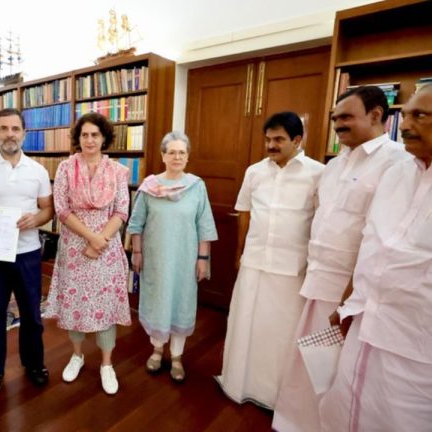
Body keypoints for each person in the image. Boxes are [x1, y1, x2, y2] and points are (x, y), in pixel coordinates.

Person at [319, 79, 432, 431]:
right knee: (347, 416)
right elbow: (373, 244)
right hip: (365, 332)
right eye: (406, 114)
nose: (407, 125)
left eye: (421, 115)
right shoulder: (397, 173)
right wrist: (347, 301)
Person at [272, 86, 408, 432]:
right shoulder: (333, 166)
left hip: (354, 292)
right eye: (335, 118)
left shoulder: (399, 163)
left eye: (346, 117)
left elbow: (383, 237)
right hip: (318, 279)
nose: (337, 125)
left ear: (377, 115)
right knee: (311, 362)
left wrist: (351, 294)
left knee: (343, 375)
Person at [216, 111, 324, 408]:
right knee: (245, 323)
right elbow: (245, 212)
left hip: (292, 267)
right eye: (268, 139)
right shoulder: (255, 172)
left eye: (278, 139)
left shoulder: (318, 173)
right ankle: (239, 382)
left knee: (281, 333)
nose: (270, 145)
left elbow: (321, 219)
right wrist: (239, 252)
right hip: (254, 259)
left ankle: (278, 396)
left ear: (297, 140)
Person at [0, 108, 54, 395]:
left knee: (32, 315)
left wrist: (35, 220)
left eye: (15, 129)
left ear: (24, 133)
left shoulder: (38, 171)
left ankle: (34, 364)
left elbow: (48, 209)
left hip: (27, 252)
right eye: (3, 129)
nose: (9, 134)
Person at [44, 112, 131, 395]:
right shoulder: (66, 168)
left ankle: (107, 364)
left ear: (104, 137)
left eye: (95, 134)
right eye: (84, 135)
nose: (90, 140)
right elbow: (62, 209)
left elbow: (121, 211)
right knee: (76, 303)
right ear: (78, 138)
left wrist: (101, 239)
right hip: (74, 247)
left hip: (106, 249)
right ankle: (77, 355)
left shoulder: (118, 172)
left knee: (104, 305)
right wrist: (90, 237)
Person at [127, 131, 217, 383]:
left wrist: (203, 258)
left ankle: (177, 356)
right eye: (171, 152)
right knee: (157, 302)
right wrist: (137, 252)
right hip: (155, 260)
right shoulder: (149, 186)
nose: (177, 156)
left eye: (182, 152)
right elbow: (136, 223)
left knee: (181, 302)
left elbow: (205, 225)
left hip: (185, 260)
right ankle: (157, 350)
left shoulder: (197, 186)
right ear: (163, 155)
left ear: (187, 156)